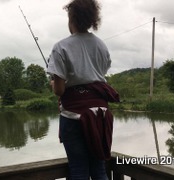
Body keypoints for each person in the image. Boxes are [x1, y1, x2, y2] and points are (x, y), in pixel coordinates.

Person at [47, 0, 120, 179]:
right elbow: (99, 75)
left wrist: (53, 84)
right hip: (100, 115)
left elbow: (59, 91)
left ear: (72, 19)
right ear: (91, 20)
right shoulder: (101, 45)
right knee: (99, 167)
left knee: (78, 168)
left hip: (74, 117)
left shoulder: (61, 46)